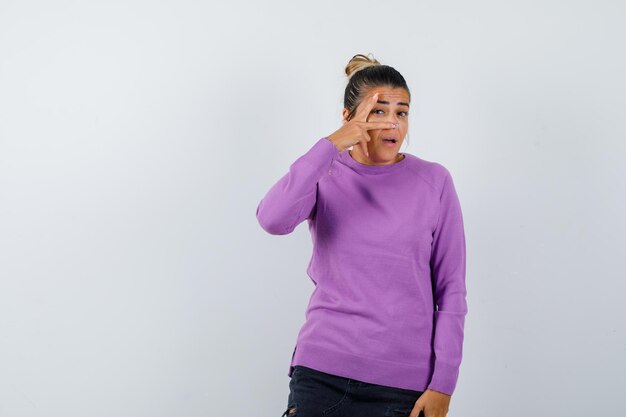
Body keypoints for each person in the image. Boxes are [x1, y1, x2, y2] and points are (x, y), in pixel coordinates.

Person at [256, 53, 468, 417]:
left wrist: (443, 384)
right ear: (349, 118)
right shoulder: (324, 172)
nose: (393, 124)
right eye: (378, 111)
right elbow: (272, 219)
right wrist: (329, 146)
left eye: (401, 112)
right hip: (321, 373)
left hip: (402, 385)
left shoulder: (434, 182)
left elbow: (451, 289)